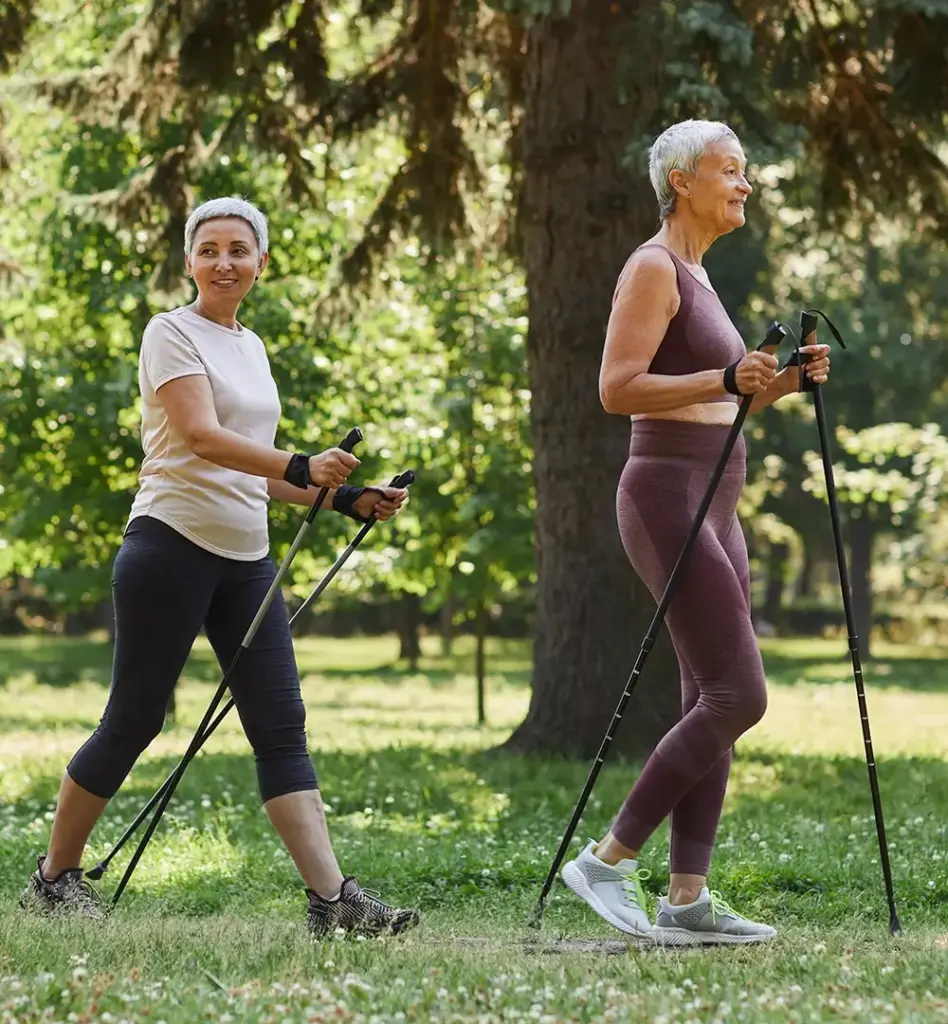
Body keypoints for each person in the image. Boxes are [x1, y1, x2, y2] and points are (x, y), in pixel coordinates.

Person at [19, 196, 421, 939]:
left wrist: (343, 499)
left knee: (280, 726)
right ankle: (52, 878)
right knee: (134, 720)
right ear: (189, 262)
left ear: (261, 263)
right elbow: (202, 438)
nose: (224, 261)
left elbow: (257, 471)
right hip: (168, 546)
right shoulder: (169, 333)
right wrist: (305, 460)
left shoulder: (253, 347)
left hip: (246, 560)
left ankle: (333, 902)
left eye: (240, 249)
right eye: (209, 249)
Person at [560, 120, 831, 946]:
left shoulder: (700, 277)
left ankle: (687, 899)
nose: (745, 184)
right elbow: (618, 388)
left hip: (714, 496)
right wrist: (723, 373)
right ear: (682, 179)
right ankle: (607, 860)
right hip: (667, 491)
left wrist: (777, 382)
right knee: (738, 695)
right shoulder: (651, 266)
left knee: (703, 693)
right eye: (731, 170)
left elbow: (723, 398)